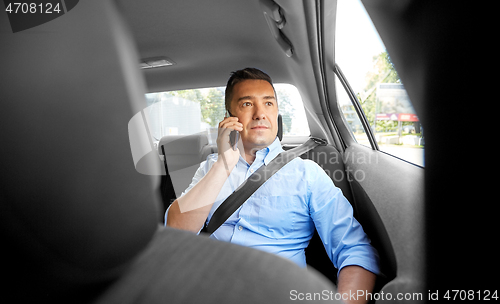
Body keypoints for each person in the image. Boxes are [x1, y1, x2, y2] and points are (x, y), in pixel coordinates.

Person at [166, 68, 380, 303]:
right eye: (247, 104)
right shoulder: (210, 168)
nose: (260, 114)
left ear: (277, 112)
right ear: (229, 117)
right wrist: (223, 165)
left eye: (268, 103)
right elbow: (174, 233)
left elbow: (355, 250)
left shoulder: (306, 174)